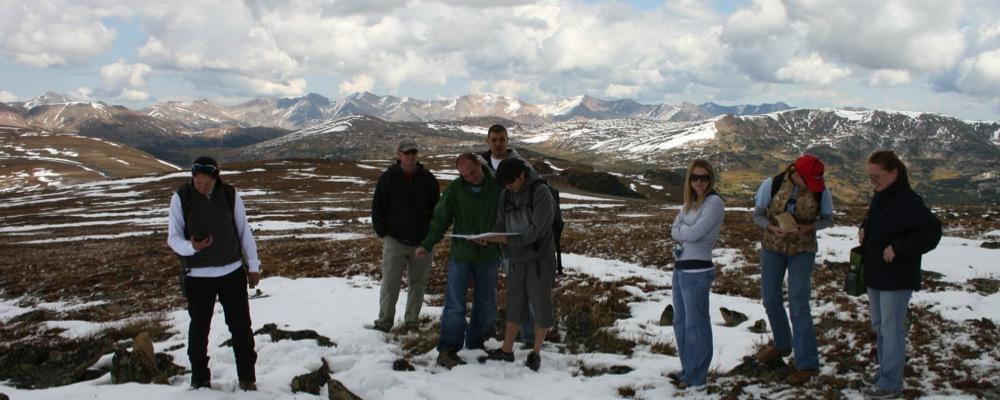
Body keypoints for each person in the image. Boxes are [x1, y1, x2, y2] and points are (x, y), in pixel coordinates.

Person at [167, 156, 260, 391]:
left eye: (207, 183)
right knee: (199, 329)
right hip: (198, 276)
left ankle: (247, 378)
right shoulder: (181, 197)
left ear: (216, 179)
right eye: (198, 183)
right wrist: (192, 247)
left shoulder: (229, 195)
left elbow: (243, 231)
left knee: (241, 327)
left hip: (231, 272)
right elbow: (173, 237)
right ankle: (200, 379)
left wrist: (253, 265)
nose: (202, 187)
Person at [859, 151, 941, 399]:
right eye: (870, 177)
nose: (873, 181)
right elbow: (875, 222)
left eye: (877, 176)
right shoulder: (881, 196)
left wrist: (898, 247)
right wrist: (864, 228)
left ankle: (891, 384)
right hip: (875, 274)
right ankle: (886, 371)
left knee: (891, 329)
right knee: (880, 327)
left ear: (894, 173)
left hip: (896, 277)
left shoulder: (908, 200)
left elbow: (931, 232)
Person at [751, 154, 834, 385]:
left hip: (802, 251)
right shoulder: (772, 184)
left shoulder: (821, 191)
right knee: (770, 299)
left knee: (798, 303)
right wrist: (771, 227)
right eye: (808, 180)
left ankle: (807, 364)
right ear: (796, 173)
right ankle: (782, 344)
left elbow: (828, 219)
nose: (812, 186)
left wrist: (808, 227)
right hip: (773, 248)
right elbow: (757, 215)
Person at [415, 153, 503, 369]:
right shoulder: (455, 189)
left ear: (480, 166)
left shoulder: (498, 188)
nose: (471, 178)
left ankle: (475, 345)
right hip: (462, 256)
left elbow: (508, 217)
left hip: (489, 257)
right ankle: (449, 348)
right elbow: (440, 219)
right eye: (465, 175)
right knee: (455, 304)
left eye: (473, 172)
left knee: (484, 303)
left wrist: (496, 238)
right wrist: (427, 244)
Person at [479, 158, 556, 372]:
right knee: (515, 304)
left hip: (540, 258)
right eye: (504, 184)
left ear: (521, 175)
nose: (507, 187)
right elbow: (501, 225)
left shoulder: (541, 192)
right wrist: (491, 237)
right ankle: (506, 350)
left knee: (541, 304)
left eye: (510, 183)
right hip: (515, 260)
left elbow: (538, 230)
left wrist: (507, 240)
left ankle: (536, 352)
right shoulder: (505, 194)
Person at [370, 138, 439, 333]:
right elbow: (378, 206)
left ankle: (411, 322)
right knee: (390, 283)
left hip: (423, 242)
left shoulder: (428, 179)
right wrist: (382, 231)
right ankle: (384, 322)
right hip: (396, 239)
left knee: (418, 284)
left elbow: (436, 209)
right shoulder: (388, 178)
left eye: (413, 152)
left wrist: (431, 236)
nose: (410, 156)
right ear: (398, 155)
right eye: (406, 152)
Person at [476, 123, 535, 346]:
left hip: (514, 236)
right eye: (494, 140)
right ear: (488, 141)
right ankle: (488, 329)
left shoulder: (522, 165)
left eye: (502, 139)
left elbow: (535, 190)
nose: (498, 144)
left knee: (521, 286)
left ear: (507, 140)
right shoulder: (479, 165)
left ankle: (529, 336)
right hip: (489, 234)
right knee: (487, 284)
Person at [668, 159, 724, 388]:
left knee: (696, 324)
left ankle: (697, 376)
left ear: (711, 180)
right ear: (689, 180)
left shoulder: (714, 203)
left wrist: (684, 231)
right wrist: (684, 231)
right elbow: (674, 230)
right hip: (680, 269)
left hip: (698, 271)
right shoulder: (689, 204)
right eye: (695, 177)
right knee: (680, 322)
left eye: (704, 178)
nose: (699, 182)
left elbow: (693, 233)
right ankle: (688, 369)